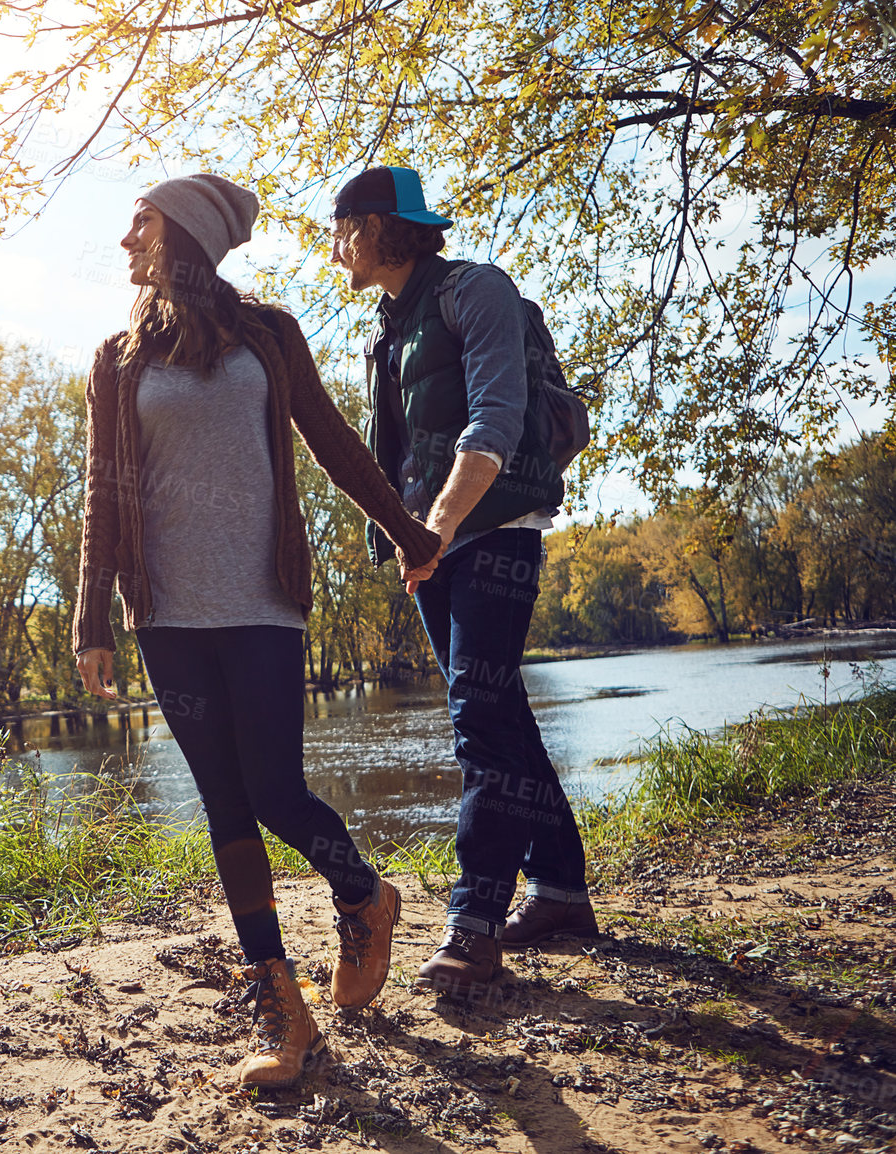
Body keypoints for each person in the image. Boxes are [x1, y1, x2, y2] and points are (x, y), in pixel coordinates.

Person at [72, 174, 443, 1090]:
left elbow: (331, 439)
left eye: (142, 225)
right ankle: (279, 1001)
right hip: (167, 616)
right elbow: (103, 492)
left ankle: (363, 894)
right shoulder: (118, 358)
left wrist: (410, 532)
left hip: (265, 601)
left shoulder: (270, 334)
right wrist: (93, 620)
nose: (126, 244)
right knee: (224, 805)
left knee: (276, 788)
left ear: (187, 234)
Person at [329, 165, 599, 998]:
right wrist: (409, 539)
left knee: (479, 721)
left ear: (378, 227)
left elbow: (495, 419)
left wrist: (433, 530)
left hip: (491, 532)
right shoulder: (390, 324)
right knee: (499, 713)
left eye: (341, 228)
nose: (334, 246)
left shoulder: (474, 289)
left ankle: (474, 923)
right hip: (434, 546)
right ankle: (559, 894)